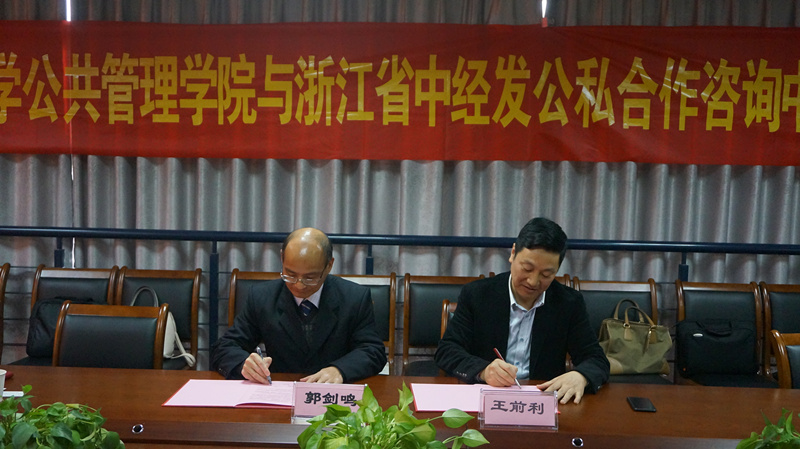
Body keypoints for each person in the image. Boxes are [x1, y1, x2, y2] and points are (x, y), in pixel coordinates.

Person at [434, 217, 609, 404]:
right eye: (527, 268)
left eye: (546, 274)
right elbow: (447, 351)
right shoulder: (477, 295)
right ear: (513, 253)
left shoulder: (568, 303)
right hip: (488, 399)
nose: (533, 281)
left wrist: (581, 376)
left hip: (542, 403)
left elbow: (596, 359)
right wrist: (483, 371)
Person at [211, 227, 387, 384]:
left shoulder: (354, 298)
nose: (299, 285)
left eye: (310, 278)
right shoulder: (262, 297)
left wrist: (340, 370)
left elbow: (373, 351)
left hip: (333, 394)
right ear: (282, 259)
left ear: (329, 266)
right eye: (290, 274)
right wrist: (244, 364)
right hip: (280, 390)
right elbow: (225, 347)